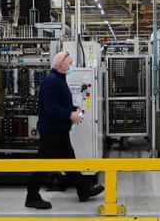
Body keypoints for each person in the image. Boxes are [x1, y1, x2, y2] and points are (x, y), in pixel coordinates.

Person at [25, 51, 104, 209]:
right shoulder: (52, 81)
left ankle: (83, 190)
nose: (71, 66)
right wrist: (70, 115)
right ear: (61, 64)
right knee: (42, 165)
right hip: (51, 131)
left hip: (59, 130)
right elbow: (50, 107)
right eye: (69, 63)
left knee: (69, 162)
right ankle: (32, 197)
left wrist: (75, 109)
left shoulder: (59, 79)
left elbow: (60, 103)